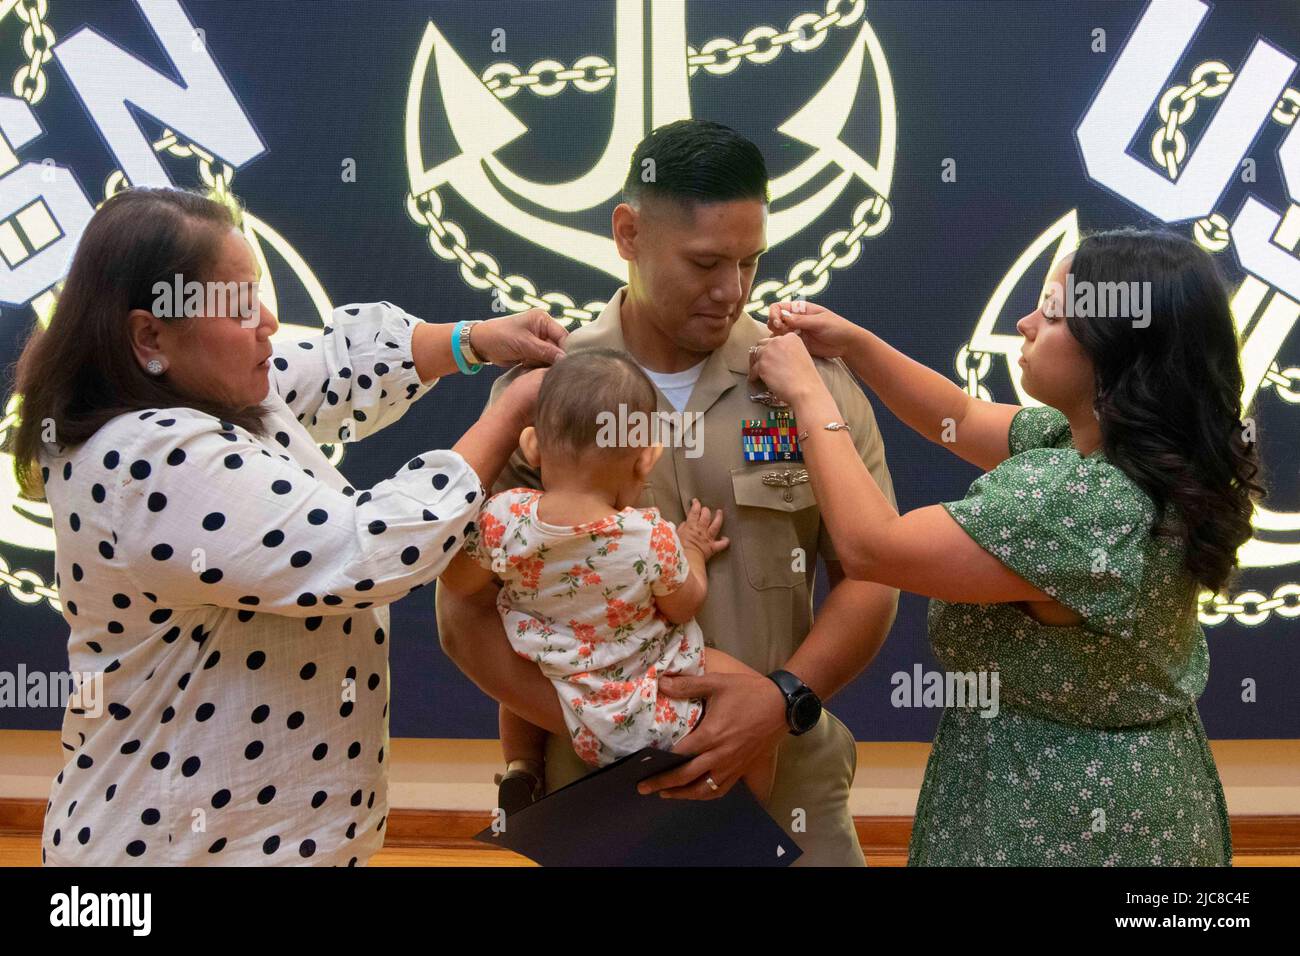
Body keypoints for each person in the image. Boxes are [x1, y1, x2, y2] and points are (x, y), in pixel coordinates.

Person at [4, 185, 567, 865]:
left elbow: (335, 369)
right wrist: (508, 419)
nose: (268, 321)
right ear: (150, 334)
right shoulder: (146, 458)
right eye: (239, 306)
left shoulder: (218, 386)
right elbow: (368, 549)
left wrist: (471, 341)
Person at [437, 119, 899, 866]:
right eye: (706, 262)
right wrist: (611, 724)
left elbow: (873, 578)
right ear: (628, 233)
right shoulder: (545, 393)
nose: (733, 291)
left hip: (785, 788)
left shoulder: (811, 384)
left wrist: (775, 701)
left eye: (752, 262)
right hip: (602, 798)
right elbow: (463, 609)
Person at [747, 228, 1263, 865]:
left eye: (1050, 313)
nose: (1023, 323)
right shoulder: (1114, 449)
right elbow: (957, 418)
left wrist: (807, 396)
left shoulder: (1082, 501)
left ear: (1114, 348)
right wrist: (852, 343)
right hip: (1118, 787)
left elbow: (871, 548)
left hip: (1061, 816)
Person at [439, 349, 776, 811]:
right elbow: (684, 604)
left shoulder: (503, 518)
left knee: (517, 688)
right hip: (658, 699)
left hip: (558, 692)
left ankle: (521, 767)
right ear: (645, 460)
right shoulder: (649, 536)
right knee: (758, 705)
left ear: (532, 446)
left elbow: (459, 582)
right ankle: (748, 821)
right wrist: (692, 550)